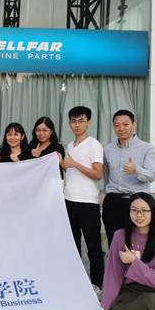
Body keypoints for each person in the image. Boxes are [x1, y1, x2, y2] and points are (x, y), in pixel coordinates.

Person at [61, 106, 104, 294]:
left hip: (88, 202)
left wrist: (74, 164)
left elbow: (98, 174)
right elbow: (69, 171)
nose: (77, 125)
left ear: (88, 122)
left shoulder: (94, 145)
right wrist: (62, 163)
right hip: (69, 200)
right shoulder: (70, 146)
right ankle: (75, 281)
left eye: (81, 121)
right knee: (73, 245)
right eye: (73, 121)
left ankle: (97, 284)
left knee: (93, 246)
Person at [103, 110, 155, 247]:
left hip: (137, 201)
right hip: (112, 201)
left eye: (125, 124)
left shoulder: (147, 148)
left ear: (134, 124)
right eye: (117, 125)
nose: (121, 128)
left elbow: (152, 175)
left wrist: (136, 170)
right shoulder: (107, 149)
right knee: (113, 241)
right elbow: (106, 174)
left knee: (136, 243)